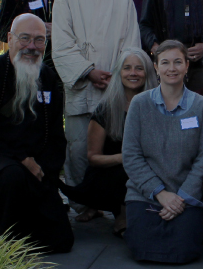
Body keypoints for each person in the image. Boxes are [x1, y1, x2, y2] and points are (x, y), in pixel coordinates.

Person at [52, 0, 141, 220]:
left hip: (114, 86)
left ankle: (119, 204)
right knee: (78, 148)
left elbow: (131, 40)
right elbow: (62, 41)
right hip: (81, 83)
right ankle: (83, 204)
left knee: (114, 147)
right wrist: (88, 72)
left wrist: (118, 76)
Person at [0, 14, 72, 252]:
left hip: (37, 165)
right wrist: (21, 159)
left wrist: (46, 167)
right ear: (10, 38)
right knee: (12, 177)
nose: (31, 47)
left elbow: (56, 133)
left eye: (39, 40)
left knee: (61, 240)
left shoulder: (47, 77)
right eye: (24, 38)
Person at [123, 40, 203, 264]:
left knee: (184, 251)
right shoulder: (139, 103)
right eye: (165, 62)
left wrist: (181, 198)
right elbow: (131, 155)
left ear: (186, 66)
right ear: (155, 67)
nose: (171, 68)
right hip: (145, 194)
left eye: (177, 62)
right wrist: (160, 193)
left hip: (188, 195)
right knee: (142, 250)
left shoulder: (202, 106)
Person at [60, 47, 157, 237]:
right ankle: (122, 215)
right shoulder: (106, 108)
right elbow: (93, 158)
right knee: (126, 170)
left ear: (148, 72)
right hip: (112, 173)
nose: (133, 73)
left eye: (139, 68)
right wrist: (125, 158)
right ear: (119, 73)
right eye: (127, 68)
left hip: (149, 169)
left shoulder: (157, 104)